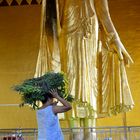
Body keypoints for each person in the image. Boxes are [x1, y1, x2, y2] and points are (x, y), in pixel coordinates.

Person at [35, 0, 134, 127]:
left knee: (89, 78)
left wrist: (115, 39)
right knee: (70, 78)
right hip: (68, 25)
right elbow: (52, 11)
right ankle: (75, 129)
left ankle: (90, 129)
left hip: (90, 28)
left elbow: (104, 13)